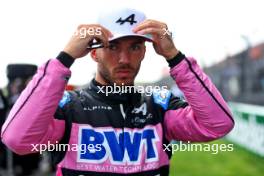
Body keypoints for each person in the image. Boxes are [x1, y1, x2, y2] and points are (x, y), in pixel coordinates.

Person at [1, 8, 234, 176]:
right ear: (93, 53)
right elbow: (16, 139)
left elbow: (218, 124)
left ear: (144, 52)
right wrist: (65, 58)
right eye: (112, 47)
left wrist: (175, 57)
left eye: (134, 47)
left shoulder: (159, 105)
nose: (124, 59)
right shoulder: (68, 106)